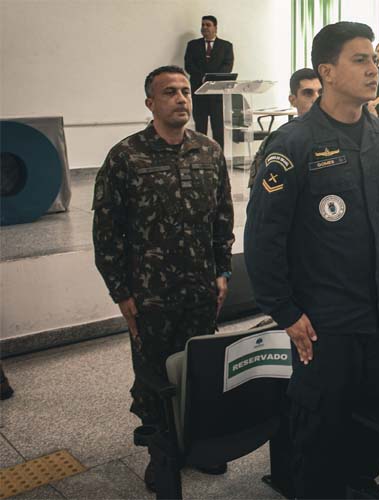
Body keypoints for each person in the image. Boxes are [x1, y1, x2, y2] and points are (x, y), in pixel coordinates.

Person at [243, 22, 379, 498]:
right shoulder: (292, 144)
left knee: (372, 426)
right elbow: (262, 238)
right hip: (324, 322)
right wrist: (285, 311)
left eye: (374, 60)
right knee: (320, 433)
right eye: (359, 59)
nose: (373, 68)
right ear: (328, 71)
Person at [92, 65, 234, 489]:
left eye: (186, 91)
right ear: (150, 102)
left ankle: (199, 444)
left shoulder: (209, 152)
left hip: (200, 289)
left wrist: (223, 269)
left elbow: (222, 217)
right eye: (170, 92)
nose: (181, 99)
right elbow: (106, 231)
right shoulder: (126, 156)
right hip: (149, 294)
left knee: (198, 369)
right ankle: (162, 454)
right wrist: (120, 292)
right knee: (154, 377)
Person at [247, 68, 322, 189]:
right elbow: (264, 200)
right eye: (308, 93)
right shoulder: (281, 142)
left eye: (321, 92)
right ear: (293, 100)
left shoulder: (340, 135)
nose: (316, 98)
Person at [184, 15, 234, 148]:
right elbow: (189, 65)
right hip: (199, 91)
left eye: (208, 25)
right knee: (200, 127)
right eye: (203, 25)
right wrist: (203, 77)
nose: (204, 27)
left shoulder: (226, 46)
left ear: (215, 28)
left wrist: (211, 78)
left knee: (218, 128)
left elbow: (227, 67)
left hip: (216, 93)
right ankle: (200, 156)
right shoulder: (193, 45)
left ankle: (218, 157)